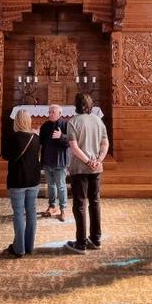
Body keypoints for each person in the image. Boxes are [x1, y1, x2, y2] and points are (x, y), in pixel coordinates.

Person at [65, 93, 109, 254]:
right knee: (95, 202)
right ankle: (96, 239)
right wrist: (98, 160)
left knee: (80, 204)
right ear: (91, 104)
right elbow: (105, 143)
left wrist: (87, 161)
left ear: (76, 105)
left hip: (79, 169)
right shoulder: (99, 121)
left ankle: (81, 243)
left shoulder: (73, 122)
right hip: (96, 168)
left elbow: (74, 147)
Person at [1, 109, 41, 257]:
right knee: (31, 212)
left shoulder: (12, 138)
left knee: (18, 213)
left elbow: (5, 155)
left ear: (16, 121)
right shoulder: (35, 138)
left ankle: (19, 248)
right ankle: (29, 246)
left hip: (17, 179)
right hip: (33, 179)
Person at [39, 104, 69, 221]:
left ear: (60, 113)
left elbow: (71, 142)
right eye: (49, 112)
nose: (50, 114)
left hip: (59, 161)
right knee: (50, 186)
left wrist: (61, 136)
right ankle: (52, 206)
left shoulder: (65, 124)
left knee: (61, 186)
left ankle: (63, 209)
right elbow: (41, 142)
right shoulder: (45, 125)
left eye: (53, 112)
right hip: (47, 161)